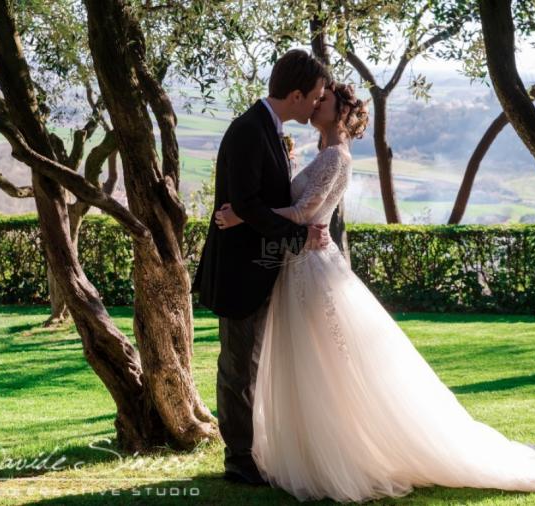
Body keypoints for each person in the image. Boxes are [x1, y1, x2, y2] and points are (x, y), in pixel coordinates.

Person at [213, 80, 535, 502]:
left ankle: (339, 454)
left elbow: (305, 212)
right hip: (297, 266)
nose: (316, 104)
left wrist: (245, 217)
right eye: (316, 97)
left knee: (324, 366)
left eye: (324, 100)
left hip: (309, 272)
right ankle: (304, 450)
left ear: (341, 113)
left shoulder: (335, 158)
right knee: (308, 365)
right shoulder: (322, 154)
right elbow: (301, 213)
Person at [191, 49, 332, 485]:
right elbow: (247, 202)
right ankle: (238, 459)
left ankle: (252, 451)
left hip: (260, 267)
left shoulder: (267, 129)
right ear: (295, 94)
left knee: (251, 364)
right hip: (239, 271)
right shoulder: (249, 130)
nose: (315, 105)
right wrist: (298, 236)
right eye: (314, 97)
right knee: (237, 367)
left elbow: (253, 205)